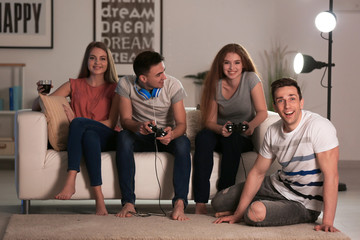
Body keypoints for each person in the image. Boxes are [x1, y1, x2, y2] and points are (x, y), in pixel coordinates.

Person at [212, 78, 340, 232]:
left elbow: (331, 175)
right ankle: (252, 207)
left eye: (292, 98)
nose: (287, 106)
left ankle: (257, 208)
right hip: (277, 186)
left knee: (255, 212)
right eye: (281, 100)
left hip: (303, 202)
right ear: (275, 106)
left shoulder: (319, 127)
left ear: (301, 102)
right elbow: (257, 173)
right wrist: (238, 214)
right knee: (219, 202)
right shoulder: (273, 131)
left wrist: (327, 221)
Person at [32, 41, 120, 215]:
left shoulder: (116, 88)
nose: (97, 62)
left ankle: (70, 179)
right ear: (86, 61)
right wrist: (41, 95)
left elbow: (111, 123)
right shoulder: (74, 84)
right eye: (93, 58)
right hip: (86, 137)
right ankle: (100, 202)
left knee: (80, 123)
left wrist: (79, 120)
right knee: (88, 136)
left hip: (108, 137)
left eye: (102, 59)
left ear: (108, 63)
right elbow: (41, 105)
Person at [115, 51, 191, 221]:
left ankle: (179, 203)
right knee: (123, 138)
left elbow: (182, 125)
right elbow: (125, 120)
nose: (164, 77)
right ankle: (128, 202)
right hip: (140, 135)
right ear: (143, 78)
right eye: (158, 74)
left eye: (164, 71)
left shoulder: (173, 85)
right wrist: (139, 126)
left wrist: (172, 135)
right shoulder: (125, 84)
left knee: (183, 143)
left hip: (166, 136)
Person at [193, 43, 268, 214]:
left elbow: (262, 112)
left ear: (243, 64)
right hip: (219, 132)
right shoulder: (215, 84)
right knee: (203, 137)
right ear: (221, 64)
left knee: (232, 139)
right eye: (227, 63)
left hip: (241, 136)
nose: (232, 67)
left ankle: (223, 200)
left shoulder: (251, 79)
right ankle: (200, 203)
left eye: (237, 63)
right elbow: (210, 122)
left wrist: (251, 125)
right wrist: (221, 129)